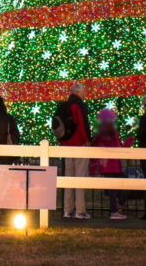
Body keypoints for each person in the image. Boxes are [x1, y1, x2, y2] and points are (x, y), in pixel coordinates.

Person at [57, 83, 91, 220]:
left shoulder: (63, 106)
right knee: (80, 178)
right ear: (79, 92)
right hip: (79, 145)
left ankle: (67, 210)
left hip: (66, 145)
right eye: (84, 92)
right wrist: (88, 140)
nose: (85, 94)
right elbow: (83, 125)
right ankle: (80, 211)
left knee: (68, 178)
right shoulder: (79, 106)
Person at [91, 109, 128, 220]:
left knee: (113, 189)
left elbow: (95, 146)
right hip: (114, 164)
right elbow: (118, 147)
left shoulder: (99, 132)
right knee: (124, 184)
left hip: (105, 164)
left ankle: (116, 210)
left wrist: (94, 166)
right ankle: (116, 210)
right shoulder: (112, 131)